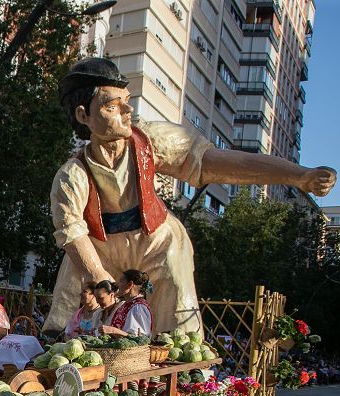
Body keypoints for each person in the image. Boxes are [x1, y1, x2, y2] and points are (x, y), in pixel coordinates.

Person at [46, 57, 336, 336]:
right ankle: (52, 359)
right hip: (98, 244)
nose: (126, 110)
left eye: (126, 101)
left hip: (154, 238)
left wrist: (298, 175)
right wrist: (99, 276)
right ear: (83, 115)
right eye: (112, 105)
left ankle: (179, 367)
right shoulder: (72, 174)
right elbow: (72, 231)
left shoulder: (150, 141)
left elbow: (214, 163)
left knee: (174, 282)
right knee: (72, 291)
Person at [99, 269, 154, 338]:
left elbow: (139, 339)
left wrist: (113, 330)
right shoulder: (125, 305)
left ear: (130, 284)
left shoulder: (138, 307)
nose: (117, 284)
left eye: (121, 281)